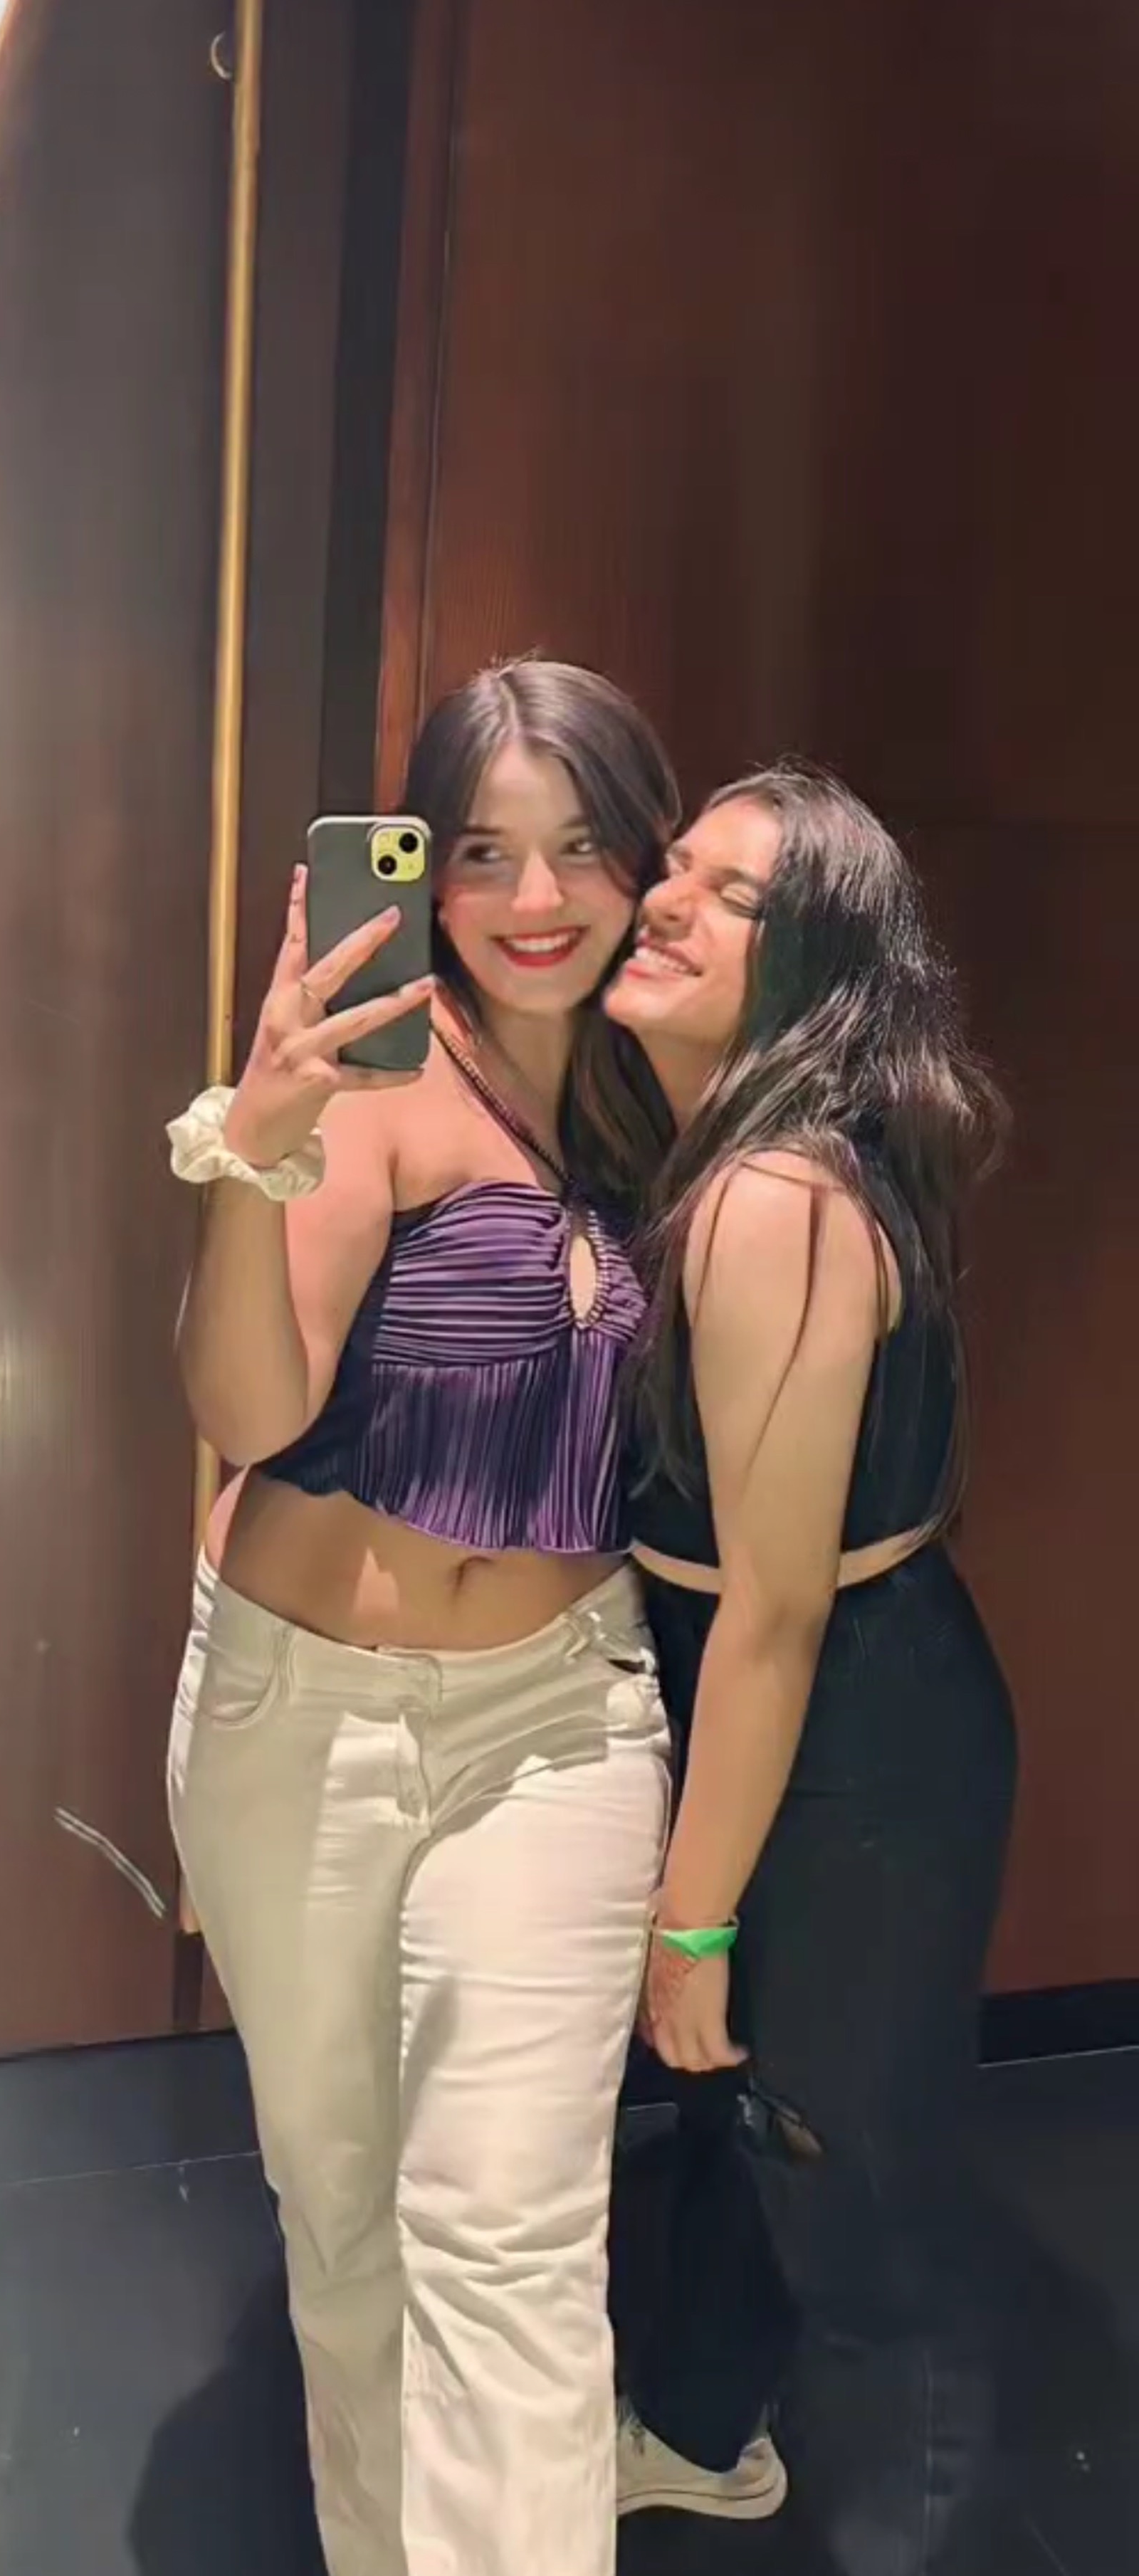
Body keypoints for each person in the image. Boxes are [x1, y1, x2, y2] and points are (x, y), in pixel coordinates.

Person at [164, 660, 678, 2576]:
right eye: (481, 852)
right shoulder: (378, 1085)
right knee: (348, 2228)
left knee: (512, 2245)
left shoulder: (659, 1090)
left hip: (562, 1718)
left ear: (640, 858)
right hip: (304, 1716)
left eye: (580, 847)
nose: (534, 897)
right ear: (423, 868)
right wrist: (258, 1143)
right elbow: (246, 1412)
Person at [602, 764, 1016, 2572]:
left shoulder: (773, 1194)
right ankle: (705, 2434)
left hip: (848, 1727)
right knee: (752, 2124)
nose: (663, 901)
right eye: (674, 867)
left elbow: (771, 1611)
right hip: (818, 1692)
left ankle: (902, 2528)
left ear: (817, 967)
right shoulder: (747, 1154)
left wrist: (690, 1921)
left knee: (844, 2182)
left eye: (734, 896)